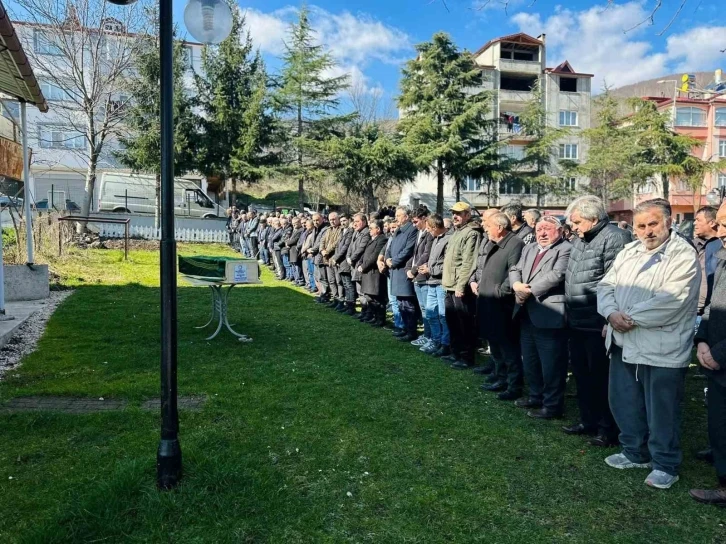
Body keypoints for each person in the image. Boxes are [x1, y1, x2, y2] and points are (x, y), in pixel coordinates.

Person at [597, 198, 700, 490]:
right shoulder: (630, 251)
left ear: (668, 221)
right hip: (624, 338)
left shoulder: (682, 254)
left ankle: (665, 464)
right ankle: (634, 452)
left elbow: (671, 300)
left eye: (653, 224)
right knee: (625, 400)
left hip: (660, 344)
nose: (647, 231)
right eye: (641, 225)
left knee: (661, 409)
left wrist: (626, 318)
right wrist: (610, 313)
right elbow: (606, 285)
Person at [563, 195, 630, 446]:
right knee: (582, 375)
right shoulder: (582, 238)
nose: (574, 228)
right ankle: (587, 420)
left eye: (577, 222)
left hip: (597, 322)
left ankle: (607, 428)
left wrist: (607, 320)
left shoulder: (614, 237)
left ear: (593, 218)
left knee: (601, 378)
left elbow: (616, 282)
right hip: (577, 319)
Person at [510, 216, 572, 418]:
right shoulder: (530, 248)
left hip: (548, 315)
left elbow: (557, 275)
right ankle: (535, 396)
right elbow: (515, 268)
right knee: (530, 360)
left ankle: (552, 406)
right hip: (526, 312)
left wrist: (528, 290)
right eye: (539, 230)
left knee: (552, 364)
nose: (542, 234)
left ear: (560, 231)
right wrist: (516, 285)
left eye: (547, 229)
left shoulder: (566, 249)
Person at [690, 203, 726, 506]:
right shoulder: (723, 256)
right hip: (714, 354)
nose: (720, 231)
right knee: (717, 419)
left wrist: (720, 352)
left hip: (722, 356)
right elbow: (713, 306)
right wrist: (702, 340)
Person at [471, 211, 525, 399]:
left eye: (488, 225)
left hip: (502, 305)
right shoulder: (494, 243)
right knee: (495, 344)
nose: (485, 228)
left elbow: (514, 271)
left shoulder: (515, 244)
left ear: (500, 228)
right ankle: (500, 377)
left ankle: (513, 385)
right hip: (489, 302)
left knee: (508, 347)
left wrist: (499, 292)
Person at [442, 202, 482, 369]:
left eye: (459, 213)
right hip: (449, 285)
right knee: (452, 322)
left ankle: (467, 357)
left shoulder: (471, 233)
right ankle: (456, 353)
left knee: (464, 324)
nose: (455, 216)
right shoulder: (456, 232)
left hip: (460, 286)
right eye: (453, 213)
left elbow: (468, 263)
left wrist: (460, 286)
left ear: (467, 214)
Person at [385, 207, 420, 342]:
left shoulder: (412, 230)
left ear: (406, 217)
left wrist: (393, 261)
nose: (397, 218)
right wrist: (388, 258)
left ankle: (411, 331)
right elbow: (390, 246)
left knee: (408, 304)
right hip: (394, 270)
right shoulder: (398, 231)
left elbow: (408, 250)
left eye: (399, 216)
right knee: (400, 303)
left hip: (402, 270)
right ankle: (405, 328)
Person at [421, 214, 452, 356]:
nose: (427, 231)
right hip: (431, 282)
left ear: (435, 227)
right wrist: (427, 266)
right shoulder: (436, 239)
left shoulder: (448, 240)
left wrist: (431, 270)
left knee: (442, 315)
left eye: (428, 228)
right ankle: (436, 340)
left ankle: (445, 344)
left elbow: (447, 264)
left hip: (441, 283)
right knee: (430, 313)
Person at [409, 207, 434, 349]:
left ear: (424, 218)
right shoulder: (419, 233)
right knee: (423, 308)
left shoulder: (429, 234)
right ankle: (427, 334)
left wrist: (413, 270)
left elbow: (426, 254)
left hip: (423, 276)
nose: (414, 224)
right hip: (416, 276)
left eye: (416, 221)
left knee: (427, 309)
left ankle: (430, 337)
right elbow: (415, 254)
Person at [359, 220, 389, 327]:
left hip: (374, 273)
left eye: (371, 228)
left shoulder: (382, 239)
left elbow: (375, 256)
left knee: (378, 298)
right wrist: (360, 263)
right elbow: (365, 254)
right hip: (367, 273)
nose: (369, 230)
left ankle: (380, 319)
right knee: (369, 297)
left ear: (378, 229)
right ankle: (374, 316)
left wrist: (363, 266)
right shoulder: (372, 239)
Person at [694, 206, 721, 318]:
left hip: (711, 313)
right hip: (691, 311)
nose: (694, 224)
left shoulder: (720, 247)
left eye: (698, 220)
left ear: (712, 223)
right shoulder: (693, 245)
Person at [346, 213, 370, 318]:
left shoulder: (366, 233)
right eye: (354, 222)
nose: (354, 224)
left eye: (357, 221)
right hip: (354, 264)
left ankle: (366, 312)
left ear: (364, 222)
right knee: (359, 290)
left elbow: (361, 248)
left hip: (360, 264)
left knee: (363, 291)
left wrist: (352, 258)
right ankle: (364, 312)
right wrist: (348, 257)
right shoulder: (356, 233)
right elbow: (350, 247)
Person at [329, 215, 354, 312]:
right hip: (340, 261)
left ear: (349, 220)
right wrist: (336, 258)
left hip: (345, 261)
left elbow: (345, 247)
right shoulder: (343, 231)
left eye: (345, 220)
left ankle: (350, 306)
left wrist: (336, 258)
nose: (343, 222)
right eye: (341, 221)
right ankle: (347, 305)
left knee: (348, 285)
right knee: (345, 284)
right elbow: (338, 246)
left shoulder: (350, 231)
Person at [320, 212, 343, 307]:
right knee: (331, 280)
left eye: (334, 219)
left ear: (338, 219)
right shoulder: (328, 229)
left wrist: (327, 251)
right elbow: (322, 240)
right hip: (327, 258)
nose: (332, 221)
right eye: (330, 220)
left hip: (335, 258)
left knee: (339, 281)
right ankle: (335, 298)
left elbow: (337, 242)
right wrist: (322, 250)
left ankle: (341, 300)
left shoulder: (341, 230)